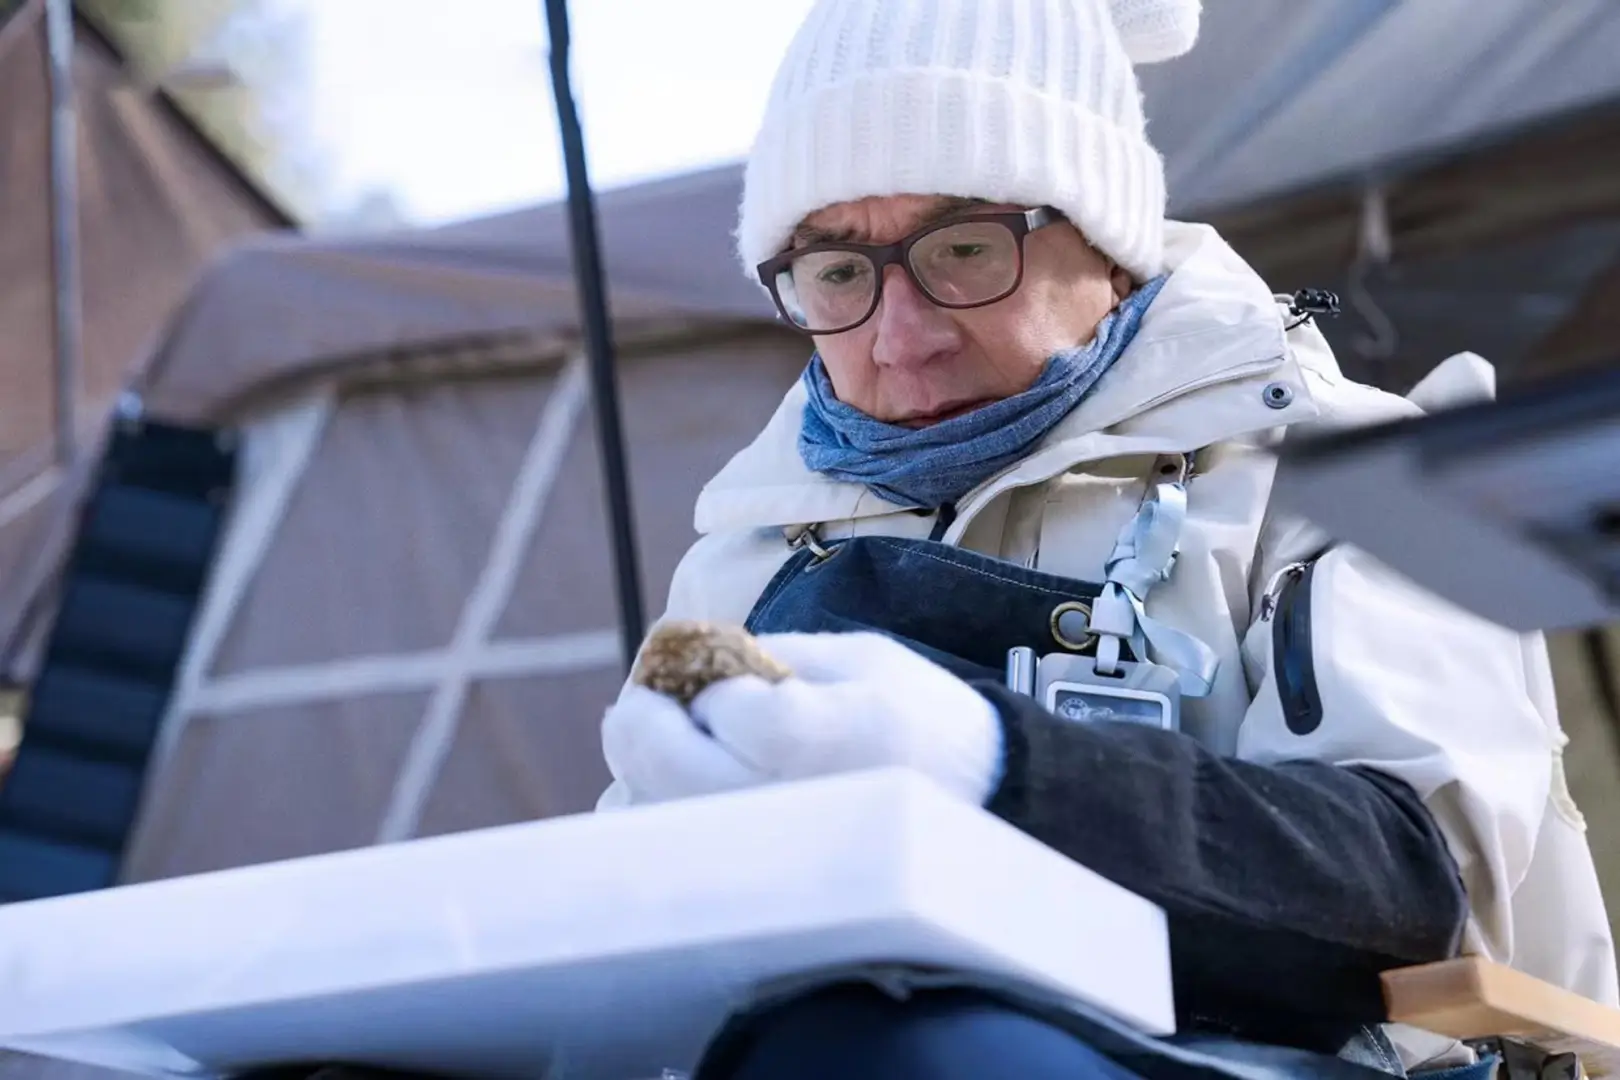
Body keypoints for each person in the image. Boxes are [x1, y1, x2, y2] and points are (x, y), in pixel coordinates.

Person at [597, 0, 1618, 1076]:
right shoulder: (745, 554)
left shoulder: (1349, 473)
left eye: (962, 247)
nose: (904, 338)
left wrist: (988, 767)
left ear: (1112, 245)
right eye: (839, 272)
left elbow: (1410, 891)